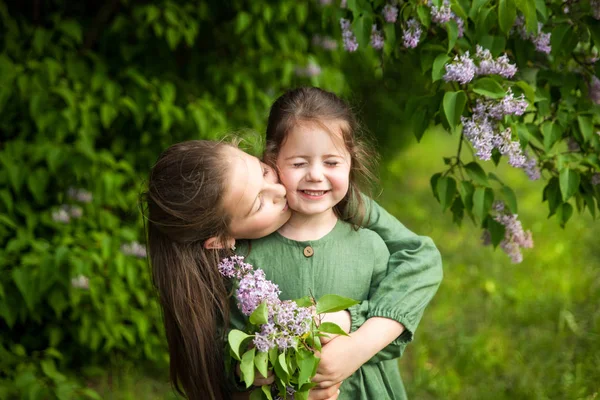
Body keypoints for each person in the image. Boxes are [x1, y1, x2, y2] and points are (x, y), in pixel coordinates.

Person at [143, 92, 442, 400]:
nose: (279, 190)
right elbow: (223, 361)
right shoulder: (238, 265)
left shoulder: (355, 217)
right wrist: (261, 373)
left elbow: (421, 258)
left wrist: (353, 336)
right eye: (259, 203)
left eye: (262, 172)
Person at [229, 87, 440, 399]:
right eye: (299, 163)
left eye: (331, 162)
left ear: (351, 162)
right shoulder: (249, 256)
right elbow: (232, 345)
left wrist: (352, 336)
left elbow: (394, 337)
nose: (315, 175)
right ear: (272, 163)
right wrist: (255, 370)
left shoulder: (370, 246)